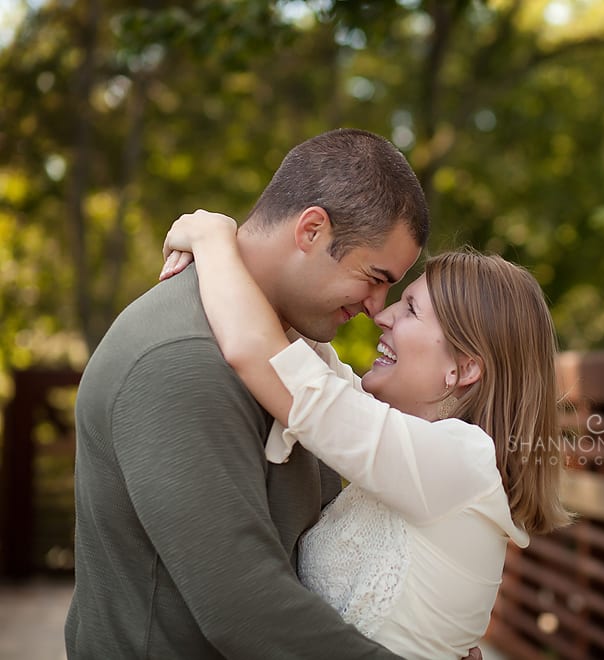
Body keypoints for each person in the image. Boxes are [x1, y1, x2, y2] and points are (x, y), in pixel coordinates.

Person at [65, 129, 431, 659]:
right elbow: (244, 607)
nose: (378, 307)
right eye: (374, 278)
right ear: (311, 231)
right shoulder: (182, 357)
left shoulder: (286, 350)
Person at [158, 209, 571, 659]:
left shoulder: (460, 462)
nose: (384, 315)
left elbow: (276, 367)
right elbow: (305, 351)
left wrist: (214, 238)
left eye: (411, 308)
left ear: (465, 367)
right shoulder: (412, 444)